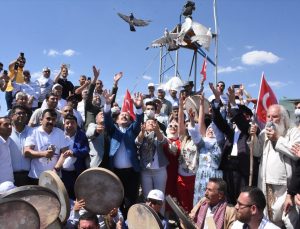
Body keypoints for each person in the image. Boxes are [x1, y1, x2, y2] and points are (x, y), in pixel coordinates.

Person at [249, 104, 300, 228]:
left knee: (288, 221)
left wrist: (277, 138)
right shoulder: (263, 133)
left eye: (274, 116)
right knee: (268, 220)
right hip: (265, 184)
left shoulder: (293, 133)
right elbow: (256, 152)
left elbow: (296, 154)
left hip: (285, 188)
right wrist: (254, 137)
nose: (270, 120)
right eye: (268, 116)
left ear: (283, 118)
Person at [210, 84, 259, 205]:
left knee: (241, 201)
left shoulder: (251, 129)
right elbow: (219, 121)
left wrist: (232, 102)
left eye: (239, 113)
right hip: (228, 167)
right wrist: (217, 100)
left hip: (243, 170)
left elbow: (241, 122)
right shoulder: (231, 130)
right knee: (228, 201)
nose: (232, 114)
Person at [103, 90, 144, 219]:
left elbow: (139, 121)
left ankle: (130, 222)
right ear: (117, 120)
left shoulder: (132, 129)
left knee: (131, 200)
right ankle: (118, 223)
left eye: (127, 115)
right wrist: (108, 104)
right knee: (117, 200)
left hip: (132, 172)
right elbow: (107, 120)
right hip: (116, 173)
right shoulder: (113, 130)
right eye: (122, 115)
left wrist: (138, 107)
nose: (125, 116)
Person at [24, 109, 69, 184]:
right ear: (41, 120)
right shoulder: (33, 132)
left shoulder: (60, 133)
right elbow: (26, 152)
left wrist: (56, 169)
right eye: (48, 119)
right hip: (36, 176)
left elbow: (64, 153)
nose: (51, 121)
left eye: (53, 119)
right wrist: (43, 154)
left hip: (55, 176)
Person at [193, 93, 223, 206]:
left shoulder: (220, 143)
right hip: (201, 178)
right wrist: (201, 105)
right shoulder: (202, 143)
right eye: (208, 129)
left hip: (215, 178)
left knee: (214, 205)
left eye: (213, 129)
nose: (210, 130)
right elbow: (199, 128)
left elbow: (218, 126)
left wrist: (215, 109)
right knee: (200, 204)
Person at [54, 114, 89, 200]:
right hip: (62, 174)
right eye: (67, 123)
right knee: (63, 197)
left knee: (77, 197)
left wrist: (73, 152)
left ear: (76, 124)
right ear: (64, 124)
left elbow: (85, 150)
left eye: (72, 123)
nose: (70, 125)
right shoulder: (59, 135)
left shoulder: (81, 135)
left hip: (76, 173)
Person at [135, 118, 168, 200]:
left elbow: (163, 141)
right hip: (146, 171)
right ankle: (149, 212)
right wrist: (142, 132)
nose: (150, 123)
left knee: (160, 196)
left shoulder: (160, 133)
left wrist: (157, 131)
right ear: (144, 126)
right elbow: (137, 142)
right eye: (148, 122)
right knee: (147, 196)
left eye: (153, 122)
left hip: (159, 170)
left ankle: (160, 213)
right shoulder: (142, 134)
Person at [9, 105, 32, 186]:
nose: (22, 115)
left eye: (24, 114)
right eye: (19, 113)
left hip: (30, 176)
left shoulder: (32, 131)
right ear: (12, 116)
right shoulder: (7, 132)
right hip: (11, 176)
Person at [0, 116, 15, 189]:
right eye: (6, 125)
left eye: (10, 124)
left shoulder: (9, 141)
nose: (9, 127)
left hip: (9, 184)